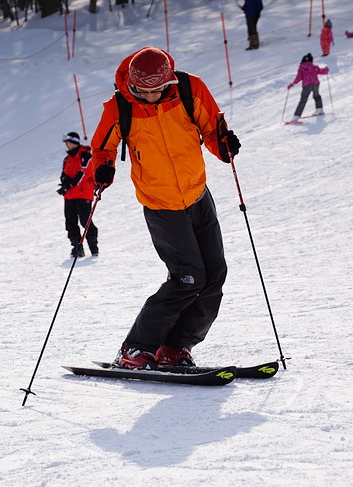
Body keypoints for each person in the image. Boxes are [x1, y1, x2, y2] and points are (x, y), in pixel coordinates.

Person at [90, 47, 241, 370]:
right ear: (131, 84)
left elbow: (213, 128)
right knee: (187, 277)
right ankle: (136, 348)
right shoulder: (118, 107)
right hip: (160, 205)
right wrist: (102, 170)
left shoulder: (190, 89)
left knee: (214, 274)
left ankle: (175, 346)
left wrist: (224, 145)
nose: (149, 96)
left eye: (156, 89)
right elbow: (102, 148)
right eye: (141, 91)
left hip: (197, 194)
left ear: (169, 81)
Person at [57, 131, 99, 258]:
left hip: (83, 193)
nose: (66, 145)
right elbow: (64, 174)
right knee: (70, 222)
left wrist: (70, 184)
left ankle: (93, 246)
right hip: (70, 195)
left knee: (85, 220)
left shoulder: (85, 155)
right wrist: (64, 184)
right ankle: (77, 247)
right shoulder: (67, 159)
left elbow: (84, 172)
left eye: (68, 142)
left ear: (74, 142)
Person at [287, 53, 329, 123]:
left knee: (303, 100)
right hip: (315, 83)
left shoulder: (301, 67)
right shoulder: (314, 67)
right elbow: (321, 71)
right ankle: (319, 110)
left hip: (307, 85)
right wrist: (326, 69)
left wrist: (292, 84)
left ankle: (296, 116)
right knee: (316, 96)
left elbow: (299, 77)